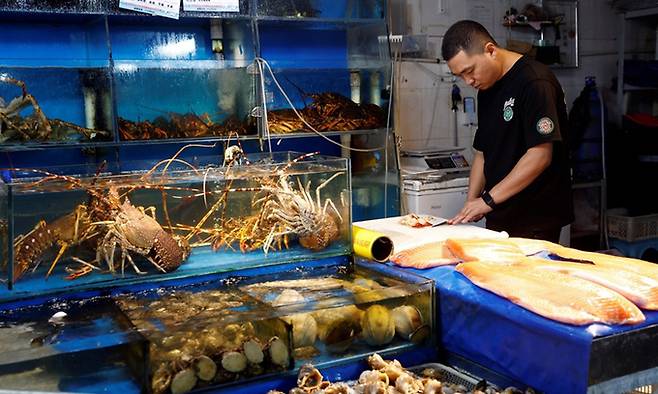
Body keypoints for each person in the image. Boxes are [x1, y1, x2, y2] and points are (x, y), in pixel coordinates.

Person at [441, 20, 573, 242]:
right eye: (460, 76)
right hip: (500, 214)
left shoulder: (535, 81)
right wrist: (472, 202)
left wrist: (487, 201)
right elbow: (482, 153)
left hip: (535, 219)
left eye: (469, 71)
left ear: (490, 50)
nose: (468, 81)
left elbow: (539, 156)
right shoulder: (486, 89)